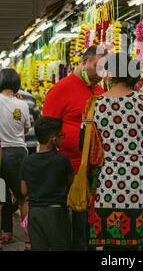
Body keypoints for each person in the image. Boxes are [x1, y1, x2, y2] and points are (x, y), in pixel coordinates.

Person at [88, 53, 143, 251]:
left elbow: (88, 146)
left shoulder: (93, 106)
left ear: (109, 75)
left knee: (114, 244)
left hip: (109, 180)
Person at [42, 45, 106, 251]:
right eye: (96, 67)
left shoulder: (99, 90)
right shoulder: (59, 90)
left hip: (94, 172)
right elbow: (46, 131)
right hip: (67, 172)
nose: (100, 74)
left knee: (87, 230)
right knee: (69, 230)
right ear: (84, 61)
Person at [21, 117, 73, 251]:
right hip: (56, 213)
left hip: (35, 214)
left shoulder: (27, 161)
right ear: (53, 138)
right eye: (61, 135)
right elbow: (70, 183)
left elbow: (23, 190)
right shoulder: (62, 160)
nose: (62, 138)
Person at [0, 68, 30, 249]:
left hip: (1, 151)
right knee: (23, 199)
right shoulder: (23, 104)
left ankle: (5, 235)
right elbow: (26, 129)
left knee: (0, 199)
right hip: (18, 153)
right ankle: (29, 240)